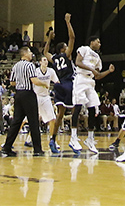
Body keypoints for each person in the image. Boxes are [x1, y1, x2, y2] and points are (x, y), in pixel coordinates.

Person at [70, 33, 115, 154]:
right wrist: (92, 69)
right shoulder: (84, 49)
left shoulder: (98, 58)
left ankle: (90, 138)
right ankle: (73, 137)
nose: (99, 44)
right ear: (92, 42)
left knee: (93, 109)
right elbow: (78, 62)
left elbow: (98, 76)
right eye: (98, 42)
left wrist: (109, 71)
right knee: (78, 107)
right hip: (80, 78)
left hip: (90, 82)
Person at [1, 47, 49, 156]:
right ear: (25, 54)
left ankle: (7, 147)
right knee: (34, 121)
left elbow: (12, 83)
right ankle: (37, 149)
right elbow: (34, 80)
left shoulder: (16, 65)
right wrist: (44, 84)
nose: (32, 54)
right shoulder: (30, 65)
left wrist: (21, 81)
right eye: (30, 52)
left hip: (18, 94)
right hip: (28, 94)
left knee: (16, 121)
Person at [48, 14, 75, 154]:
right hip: (68, 84)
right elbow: (72, 38)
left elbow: (45, 52)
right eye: (66, 46)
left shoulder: (54, 58)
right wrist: (68, 22)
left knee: (60, 114)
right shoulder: (67, 55)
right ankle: (74, 139)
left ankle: (53, 139)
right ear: (63, 49)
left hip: (58, 85)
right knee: (76, 110)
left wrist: (49, 39)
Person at [27, 54, 58, 148]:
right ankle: (27, 140)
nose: (46, 61)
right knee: (31, 120)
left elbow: (57, 82)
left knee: (52, 119)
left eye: (47, 60)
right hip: (36, 97)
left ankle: (53, 140)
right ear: (40, 62)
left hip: (45, 97)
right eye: (44, 60)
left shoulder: (51, 71)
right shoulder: (35, 71)